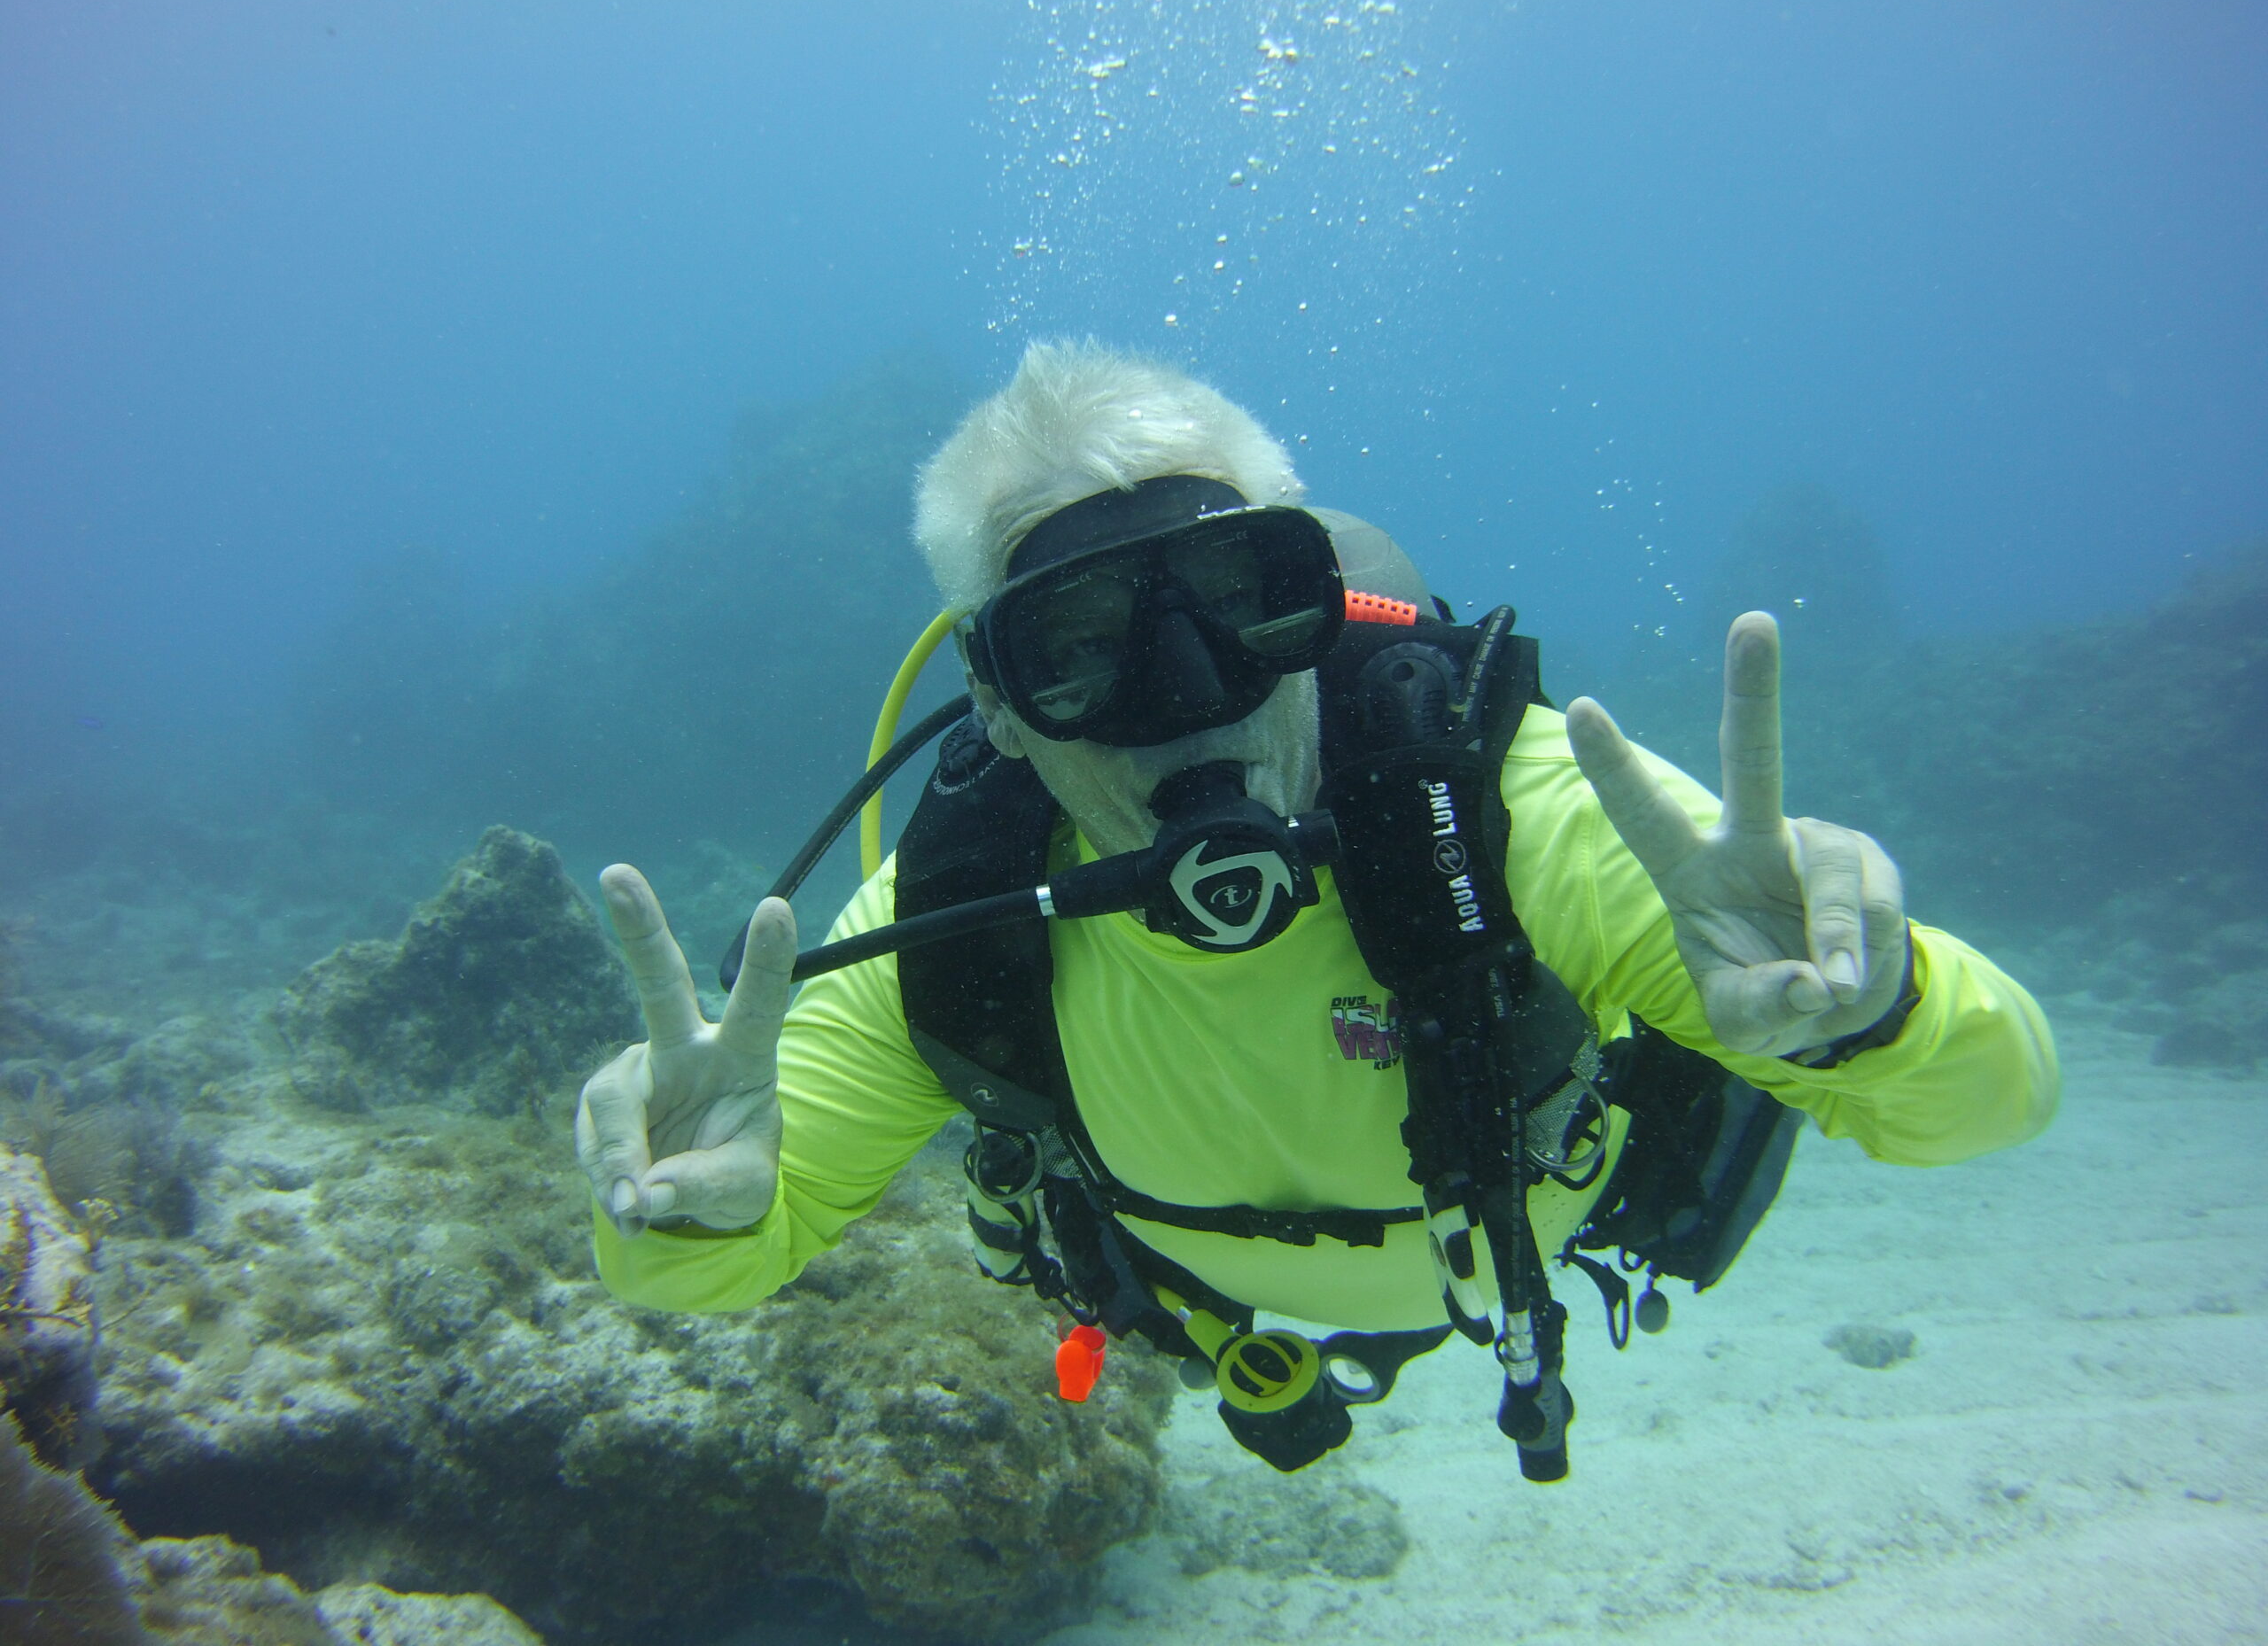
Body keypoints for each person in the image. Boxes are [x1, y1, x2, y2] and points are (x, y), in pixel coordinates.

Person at [574, 340, 2057, 1473]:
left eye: (1238, 603)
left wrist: (1880, 1005)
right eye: (1078, 648)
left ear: (1324, 610)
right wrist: (679, 1205)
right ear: (1000, 707)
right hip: (1196, 1301)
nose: (1184, 699)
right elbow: (710, 1260)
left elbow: (1993, 1110)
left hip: (1535, 1223)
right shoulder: (963, 916)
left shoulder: (1514, 814)